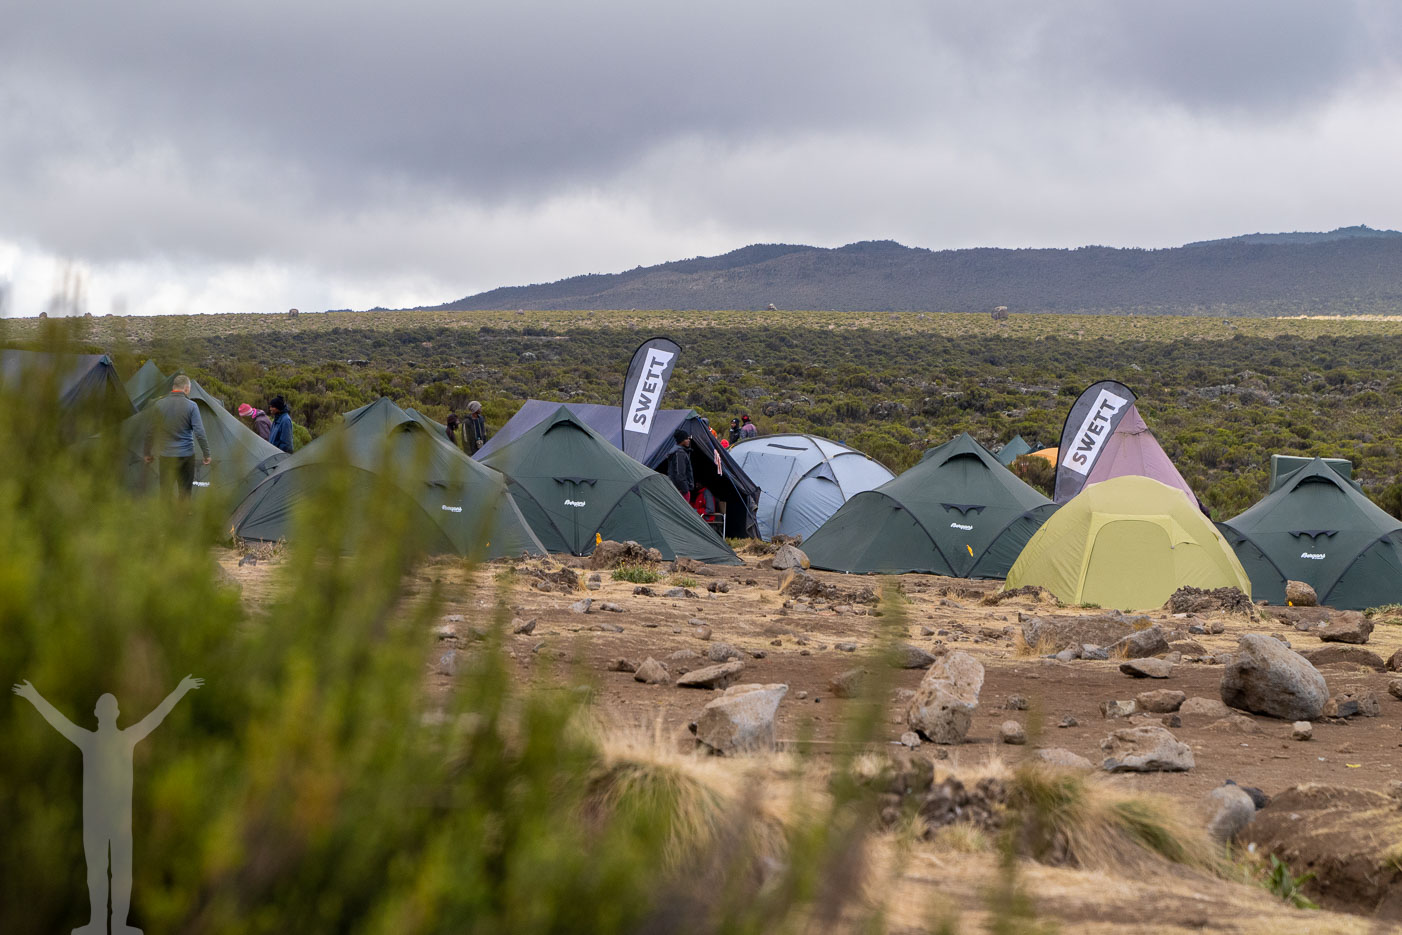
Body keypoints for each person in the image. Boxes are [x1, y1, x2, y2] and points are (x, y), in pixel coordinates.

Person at [12, 675, 202, 934]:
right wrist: (34, 697)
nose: (107, 713)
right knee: (97, 875)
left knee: (122, 876)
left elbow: (156, 717)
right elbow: (59, 722)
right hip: (97, 823)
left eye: (110, 709)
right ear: (98, 714)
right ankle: (98, 924)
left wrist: (179, 690)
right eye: (104, 709)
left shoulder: (126, 740)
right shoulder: (90, 741)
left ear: (115, 713)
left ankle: (120, 925)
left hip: (120, 823)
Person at [143, 375, 210, 497]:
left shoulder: (159, 405)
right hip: (186, 456)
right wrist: (206, 454)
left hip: (166, 456)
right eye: (189, 389)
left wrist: (147, 453)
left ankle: (165, 515)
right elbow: (199, 433)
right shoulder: (192, 406)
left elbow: (151, 431)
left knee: (165, 492)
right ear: (186, 388)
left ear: (174, 387)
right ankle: (182, 515)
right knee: (185, 493)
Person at [664, 428, 694, 500]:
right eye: (687, 439)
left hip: (676, 488)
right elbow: (680, 474)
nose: (689, 440)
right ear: (682, 440)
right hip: (681, 490)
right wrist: (685, 489)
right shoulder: (680, 453)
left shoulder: (675, 451)